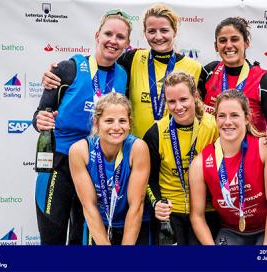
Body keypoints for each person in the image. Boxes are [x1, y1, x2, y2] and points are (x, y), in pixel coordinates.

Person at [32, 11, 132, 245]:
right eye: (108, 34)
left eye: (120, 37)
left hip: (96, 167)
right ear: (97, 35)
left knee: (84, 238)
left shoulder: (124, 75)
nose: (112, 41)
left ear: (127, 44)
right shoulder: (68, 68)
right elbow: (41, 113)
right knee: (52, 237)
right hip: (60, 164)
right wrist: (40, 120)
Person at [42, 4, 203, 139]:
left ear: (174, 31)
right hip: (136, 147)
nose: (158, 36)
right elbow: (101, 62)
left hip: (175, 150)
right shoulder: (132, 58)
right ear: (145, 33)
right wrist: (60, 71)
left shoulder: (195, 68)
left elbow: (202, 112)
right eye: (152, 31)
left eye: (164, 30)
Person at [189, 90, 267, 245]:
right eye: (222, 116)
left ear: (247, 118)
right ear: (215, 119)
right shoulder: (200, 163)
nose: (227, 122)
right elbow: (197, 216)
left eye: (234, 115)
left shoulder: (266, 148)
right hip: (232, 231)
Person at [143, 72, 219, 245]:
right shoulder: (155, 133)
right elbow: (149, 179)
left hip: (207, 211)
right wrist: (156, 204)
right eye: (171, 101)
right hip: (171, 212)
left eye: (183, 99)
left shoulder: (214, 126)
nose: (178, 107)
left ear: (195, 96)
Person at [69, 93, 150, 245]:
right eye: (109, 121)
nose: (117, 127)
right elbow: (89, 206)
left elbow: (136, 206)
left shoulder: (137, 148)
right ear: (96, 123)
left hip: (133, 223)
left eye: (122, 121)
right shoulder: (80, 151)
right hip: (99, 223)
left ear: (129, 123)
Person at [198, 17, 267, 149]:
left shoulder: (263, 80)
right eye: (222, 40)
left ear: (246, 42)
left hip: (249, 160)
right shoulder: (209, 71)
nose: (228, 45)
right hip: (213, 160)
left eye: (234, 39)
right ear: (216, 46)